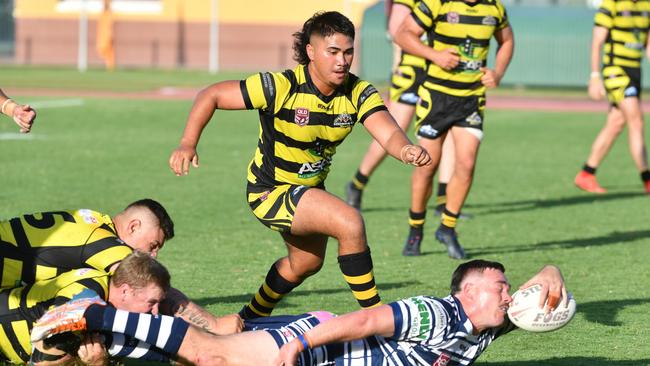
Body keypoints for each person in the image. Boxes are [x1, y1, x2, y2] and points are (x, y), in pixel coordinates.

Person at [169, 11, 431, 319]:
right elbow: (211, 94)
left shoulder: (358, 92)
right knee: (350, 222)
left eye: (348, 52)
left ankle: (248, 317)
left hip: (309, 190)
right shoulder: (280, 86)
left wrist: (406, 149)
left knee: (305, 264)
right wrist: (188, 142)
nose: (342, 61)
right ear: (310, 51)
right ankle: (379, 320)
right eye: (332, 52)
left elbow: (388, 132)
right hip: (271, 191)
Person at [35, 259, 568, 365]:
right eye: (500, 287)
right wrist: (300, 344)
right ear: (469, 291)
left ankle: (114, 342)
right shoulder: (437, 313)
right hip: (315, 346)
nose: (509, 296)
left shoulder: (478, 335)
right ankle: (97, 317)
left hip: (314, 349)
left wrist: (549, 272)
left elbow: (538, 290)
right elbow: (365, 320)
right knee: (211, 355)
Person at [0, 199, 239, 335]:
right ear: (133, 226)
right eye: (153, 245)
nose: (153, 255)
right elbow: (148, 286)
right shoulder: (101, 238)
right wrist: (215, 325)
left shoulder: (92, 223)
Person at [394, 0, 514, 259]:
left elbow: (507, 41)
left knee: (466, 163)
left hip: (471, 100)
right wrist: (434, 55)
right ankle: (416, 228)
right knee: (426, 166)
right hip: (436, 96)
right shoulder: (436, 4)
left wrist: (499, 72)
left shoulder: (494, 8)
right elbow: (402, 34)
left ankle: (448, 228)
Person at [344, 0, 459, 231]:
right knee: (393, 132)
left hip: (440, 73)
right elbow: (398, 32)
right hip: (412, 72)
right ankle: (358, 183)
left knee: (447, 132)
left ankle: (443, 199)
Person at [0, 251, 171, 364]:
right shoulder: (86, 297)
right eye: (151, 302)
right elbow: (47, 346)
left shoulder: (105, 291)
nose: (155, 311)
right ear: (125, 291)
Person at [574, 0, 650, 194]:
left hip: (635, 71)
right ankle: (647, 179)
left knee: (616, 123)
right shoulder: (612, 3)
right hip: (615, 70)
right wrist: (594, 77)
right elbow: (597, 41)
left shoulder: (647, 5)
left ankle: (586, 174)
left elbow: (648, 46)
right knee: (636, 119)